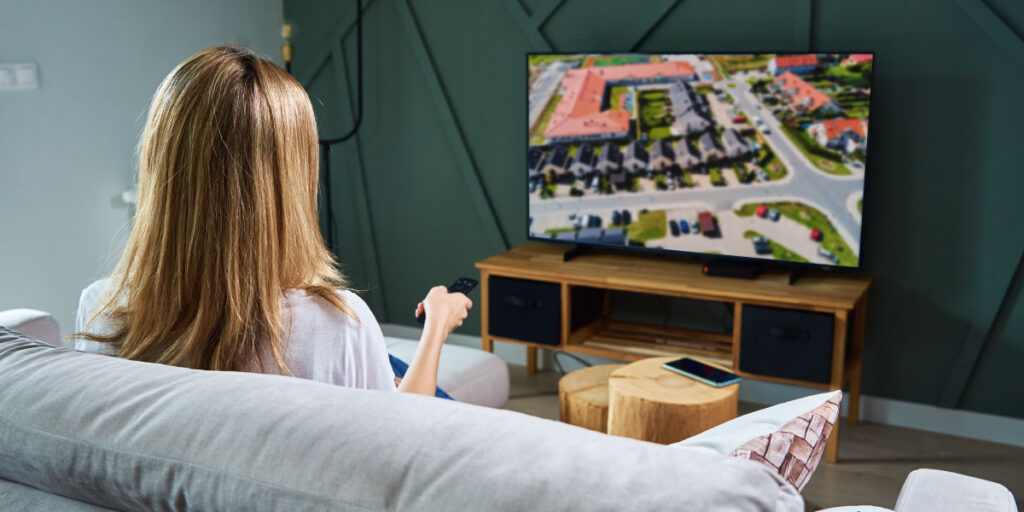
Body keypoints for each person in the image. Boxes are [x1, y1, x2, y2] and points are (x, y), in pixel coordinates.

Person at [74, 45, 471, 397]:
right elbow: (404, 439)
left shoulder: (100, 311)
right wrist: (436, 326)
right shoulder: (339, 325)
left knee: (388, 365)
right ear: (293, 177)